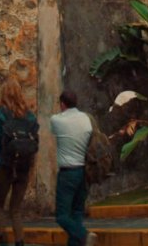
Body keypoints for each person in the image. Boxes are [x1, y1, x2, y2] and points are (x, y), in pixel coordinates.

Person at [0, 78, 38, 246]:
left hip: (5, 165)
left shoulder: (0, 114)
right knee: (15, 209)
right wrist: (31, 168)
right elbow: (35, 142)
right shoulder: (29, 116)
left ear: (3, 93)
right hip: (23, 166)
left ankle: (2, 239)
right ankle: (19, 241)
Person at [50, 90, 97, 246]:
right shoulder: (86, 119)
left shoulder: (56, 120)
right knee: (76, 214)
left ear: (62, 104)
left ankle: (84, 236)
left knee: (62, 216)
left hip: (67, 173)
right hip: (83, 172)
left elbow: (54, 132)